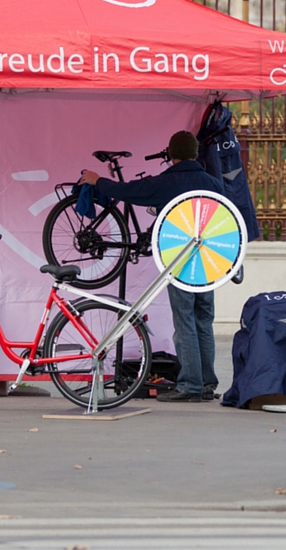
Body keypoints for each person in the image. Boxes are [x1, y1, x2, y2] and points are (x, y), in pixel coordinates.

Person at [79, 130, 225, 403]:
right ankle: (207, 384)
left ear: (172, 154)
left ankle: (190, 386)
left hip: (179, 261)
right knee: (203, 320)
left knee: (185, 320)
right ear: (194, 153)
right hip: (209, 261)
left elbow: (130, 191)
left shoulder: (168, 182)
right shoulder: (213, 184)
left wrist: (99, 181)